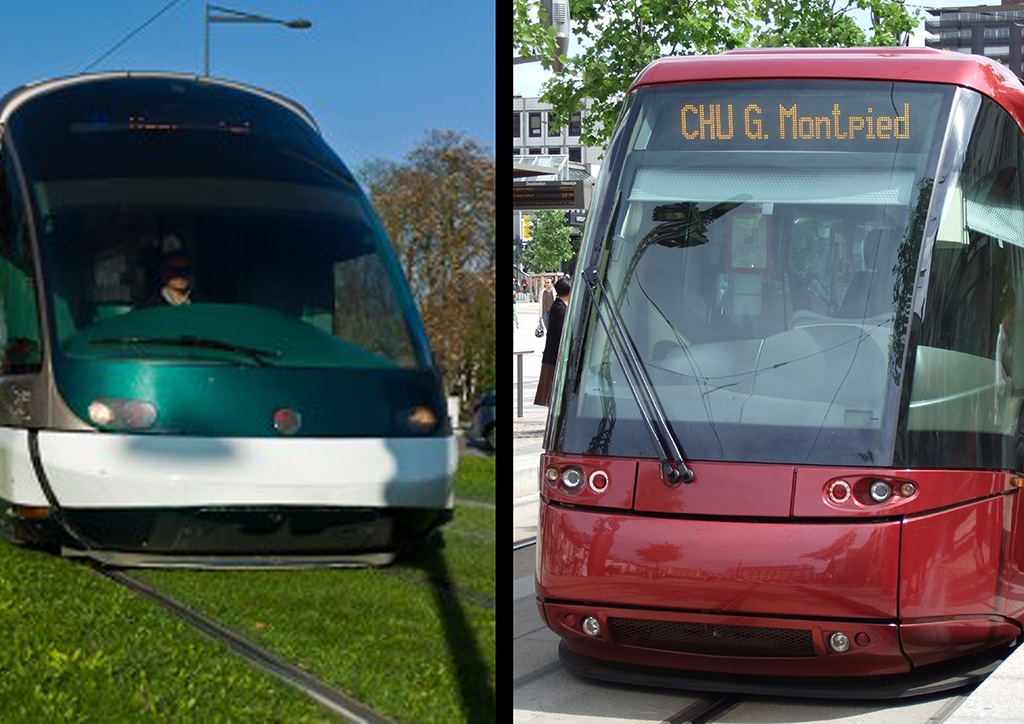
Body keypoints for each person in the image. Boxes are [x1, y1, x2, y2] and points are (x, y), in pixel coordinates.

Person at [534, 277, 571, 406]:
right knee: (554, 393)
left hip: (553, 354)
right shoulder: (560, 309)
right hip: (555, 355)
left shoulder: (558, 306)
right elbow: (563, 333)